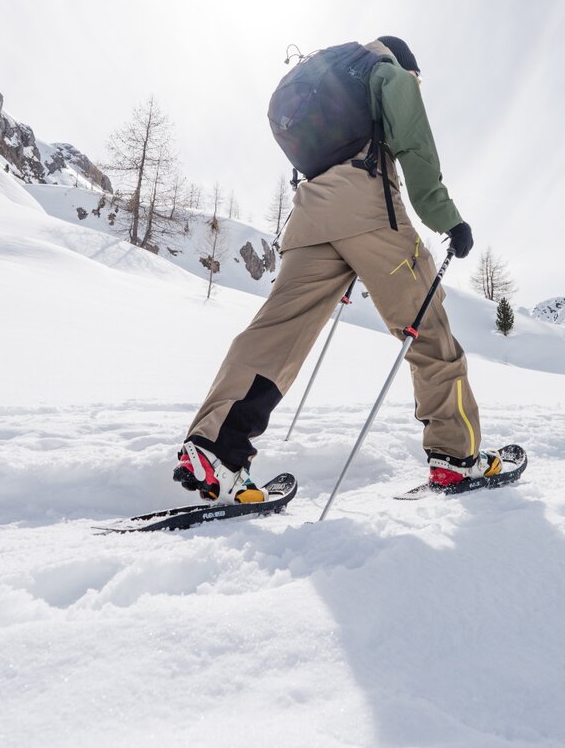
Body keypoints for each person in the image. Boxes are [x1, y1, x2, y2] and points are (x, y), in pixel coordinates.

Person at [174, 36, 502, 502]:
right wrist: (447, 218)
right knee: (428, 332)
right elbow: (415, 149)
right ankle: (456, 457)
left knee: (277, 331)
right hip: (368, 209)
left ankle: (215, 450)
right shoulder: (388, 73)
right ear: (405, 64)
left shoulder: (327, 78)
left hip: (307, 216)